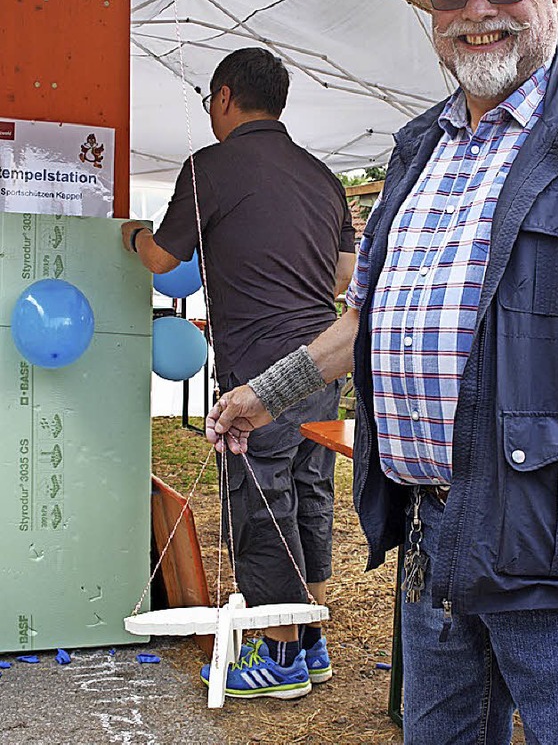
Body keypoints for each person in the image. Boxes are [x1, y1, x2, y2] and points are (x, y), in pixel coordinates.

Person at [206, 0, 558, 745]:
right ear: (432, 13)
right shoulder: (416, 148)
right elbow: (365, 321)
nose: (479, 7)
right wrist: (264, 395)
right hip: (434, 544)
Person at [121, 47, 356, 700]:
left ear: (224, 98)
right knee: (310, 495)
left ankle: (278, 659)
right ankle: (309, 640)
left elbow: (165, 254)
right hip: (323, 362)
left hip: (260, 369)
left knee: (261, 502)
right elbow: (342, 278)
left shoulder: (211, 167)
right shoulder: (322, 176)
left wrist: (133, 236)